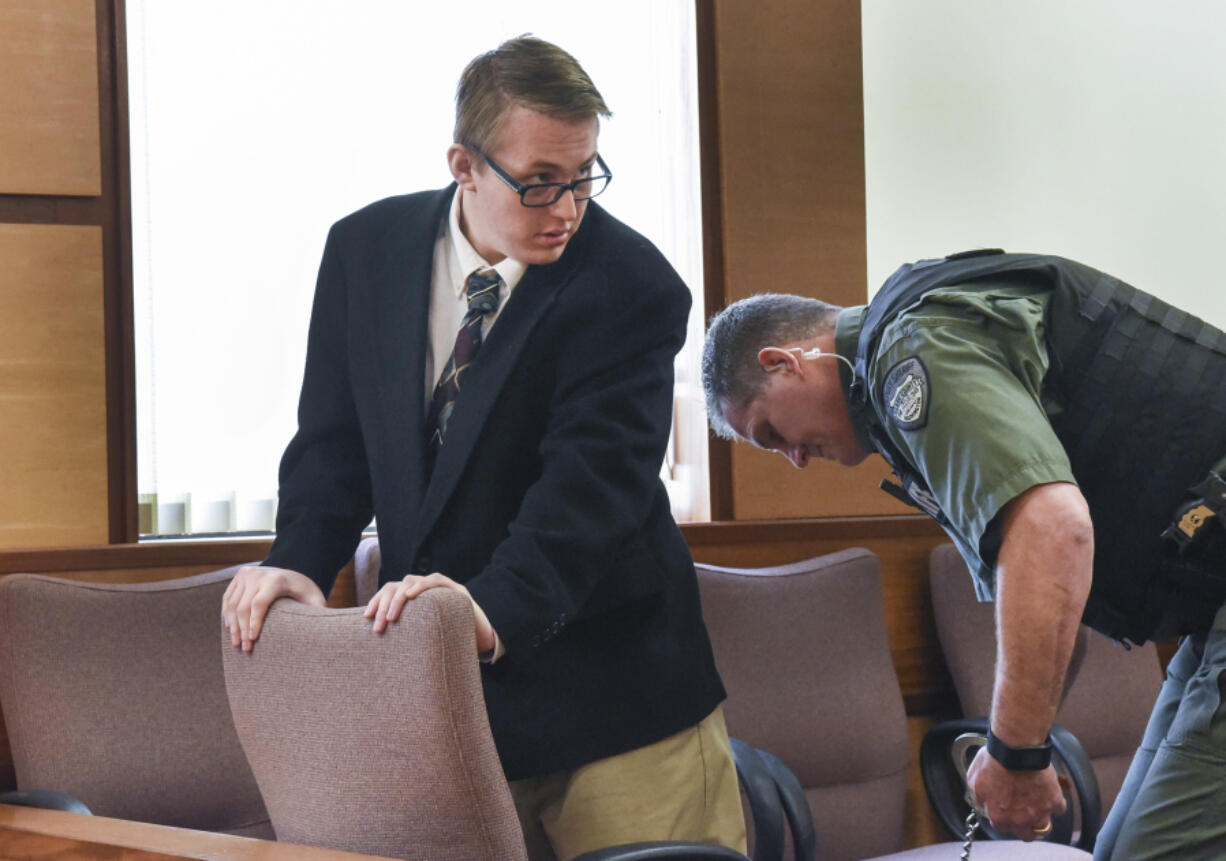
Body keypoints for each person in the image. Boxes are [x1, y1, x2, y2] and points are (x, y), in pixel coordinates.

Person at [221, 36, 744, 860]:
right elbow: (335, 444)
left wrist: (485, 606)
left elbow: (590, 494)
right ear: (464, 164)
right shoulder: (365, 252)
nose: (567, 208)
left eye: (584, 177)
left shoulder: (632, 285)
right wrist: (298, 555)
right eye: (539, 182)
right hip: (446, 711)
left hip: (619, 702)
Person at [701, 249, 1226, 861]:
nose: (792, 458)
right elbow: (1062, 603)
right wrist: (1017, 748)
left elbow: (1054, 531)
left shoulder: (912, 352)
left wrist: (1015, 754)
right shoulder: (923, 347)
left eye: (770, 432)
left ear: (783, 363)